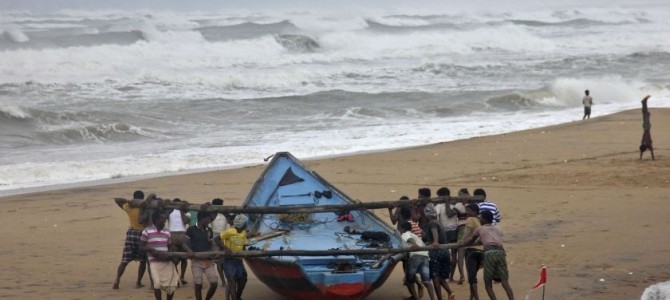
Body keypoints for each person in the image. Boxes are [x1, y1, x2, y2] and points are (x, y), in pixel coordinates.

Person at [452, 211, 515, 300]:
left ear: (484, 220)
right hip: (501, 252)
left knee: (488, 283)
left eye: (481, 218)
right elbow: (491, 238)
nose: (479, 219)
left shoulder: (480, 229)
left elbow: (470, 240)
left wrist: (461, 243)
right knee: (505, 281)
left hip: (489, 253)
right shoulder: (498, 228)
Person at [141, 210, 193, 300]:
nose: (164, 220)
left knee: (171, 285)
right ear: (156, 220)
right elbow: (141, 246)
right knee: (157, 284)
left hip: (167, 261)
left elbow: (169, 247)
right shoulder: (147, 231)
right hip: (154, 261)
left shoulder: (167, 232)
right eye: (162, 219)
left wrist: (172, 256)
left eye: (165, 219)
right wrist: (151, 249)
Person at [113, 190, 148, 289]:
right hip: (142, 234)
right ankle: (138, 282)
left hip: (131, 234)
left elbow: (117, 200)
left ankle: (117, 279)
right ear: (142, 198)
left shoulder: (129, 207)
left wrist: (128, 201)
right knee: (143, 260)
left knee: (124, 260)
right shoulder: (145, 207)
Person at [424, 203, 455, 300]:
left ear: (427, 214)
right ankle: (450, 292)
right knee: (441, 277)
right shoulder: (439, 222)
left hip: (436, 252)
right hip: (445, 251)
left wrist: (435, 242)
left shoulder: (432, 223)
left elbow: (434, 232)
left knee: (435, 276)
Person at [215, 214, 250, 300]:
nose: (246, 225)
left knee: (243, 279)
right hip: (229, 260)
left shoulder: (243, 233)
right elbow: (216, 239)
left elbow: (244, 245)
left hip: (238, 260)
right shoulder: (230, 231)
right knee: (232, 282)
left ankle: (237, 297)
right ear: (243, 225)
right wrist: (225, 248)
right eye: (245, 224)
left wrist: (246, 252)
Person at [436, 187, 466, 285]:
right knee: (453, 255)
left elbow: (440, 217)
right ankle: (451, 277)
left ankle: (447, 276)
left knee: (446, 254)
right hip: (453, 231)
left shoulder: (440, 206)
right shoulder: (454, 205)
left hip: (445, 233)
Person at [399, 221, 435, 300]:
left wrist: (414, 244)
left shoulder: (405, 234)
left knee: (409, 281)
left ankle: (415, 298)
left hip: (415, 257)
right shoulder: (416, 236)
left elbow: (409, 238)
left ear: (402, 229)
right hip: (425, 257)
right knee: (426, 280)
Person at [186, 212, 218, 300]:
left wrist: (215, 251)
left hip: (207, 260)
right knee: (198, 284)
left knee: (214, 283)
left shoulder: (209, 230)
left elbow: (212, 243)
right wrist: (189, 250)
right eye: (208, 219)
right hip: (196, 261)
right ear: (202, 219)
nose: (209, 221)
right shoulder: (191, 229)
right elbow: (185, 243)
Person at [462, 203, 483, 300]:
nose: (467, 212)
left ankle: (476, 298)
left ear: (474, 212)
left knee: (471, 277)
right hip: (480, 250)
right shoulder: (479, 221)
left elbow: (467, 233)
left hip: (471, 250)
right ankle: (471, 297)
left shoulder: (470, 219)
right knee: (472, 275)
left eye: (469, 211)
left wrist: (462, 241)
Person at [168, 199, 190, 286]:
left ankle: (182, 277)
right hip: (173, 234)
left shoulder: (183, 211)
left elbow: (185, 221)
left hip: (182, 234)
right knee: (174, 259)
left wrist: (181, 210)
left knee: (184, 258)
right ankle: (177, 278)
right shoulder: (169, 211)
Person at [209, 198, 228, 287]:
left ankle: (226, 279)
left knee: (225, 260)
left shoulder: (224, 213)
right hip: (215, 237)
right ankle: (223, 281)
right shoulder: (212, 214)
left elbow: (231, 221)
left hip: (224, 236)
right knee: (219, 261)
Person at [639, 95, 655, 160]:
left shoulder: (647, 144)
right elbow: (643, 151)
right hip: (645, 128)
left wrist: (653, 158)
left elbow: (651, 151)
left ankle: (644, 102)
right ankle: (644, 102)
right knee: (645, 114)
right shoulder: (643, 143)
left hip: (646, 128)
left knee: (646, 114)